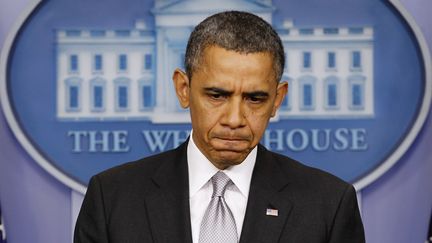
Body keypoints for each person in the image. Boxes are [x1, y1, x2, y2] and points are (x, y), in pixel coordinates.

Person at [74, 11, 365, 243]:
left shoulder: (329, 204)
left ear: (277, 100)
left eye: (255, 98)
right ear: (184, 89)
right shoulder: (112, 198)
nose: (235, 118)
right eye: (217, 95)